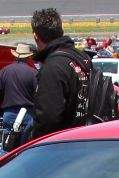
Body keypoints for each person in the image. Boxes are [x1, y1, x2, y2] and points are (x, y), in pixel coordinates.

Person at [30, 7, 91, 138]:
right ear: (60, 31)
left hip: (65, 145)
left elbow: (48, 118)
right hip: (88, 136)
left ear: (36, 36)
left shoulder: (53, 67)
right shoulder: (82, 58)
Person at [0, 42, 38, 142]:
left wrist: (3, 103)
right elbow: (39, 94)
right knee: (26, 144)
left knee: (7, 143)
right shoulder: (33, 73)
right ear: (28, 57)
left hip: (9, 112)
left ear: (15, 55)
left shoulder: (4, 71)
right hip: (28, 113)